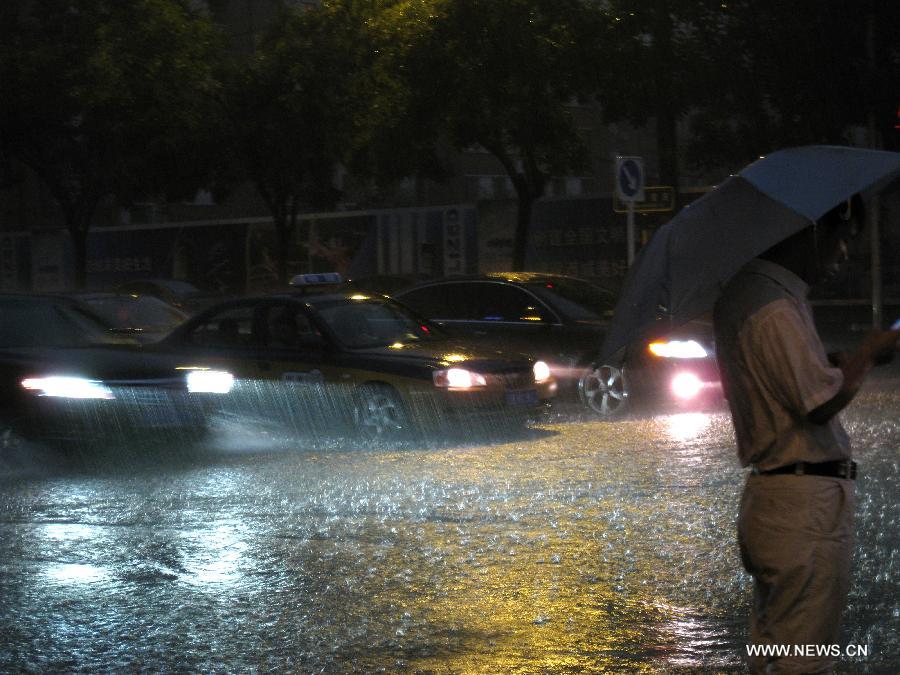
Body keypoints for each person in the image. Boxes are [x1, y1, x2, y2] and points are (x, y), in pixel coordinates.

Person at [712, 196, 900, 674]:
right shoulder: (774, 307)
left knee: (774, 650)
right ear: (814, 231)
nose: (844, 255)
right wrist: (867, 355)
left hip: (775, 499)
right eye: (842, 239)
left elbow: (785, 383)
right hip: (802, 507)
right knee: (806, 660)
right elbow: (817, 404)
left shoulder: (749, 295)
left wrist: (833, 363)